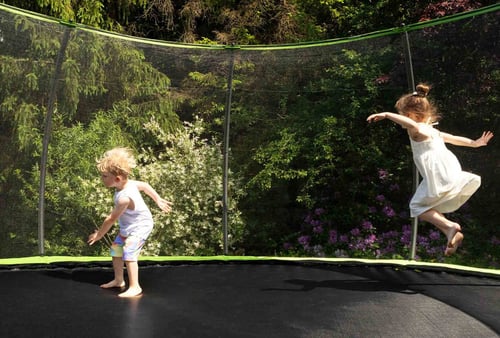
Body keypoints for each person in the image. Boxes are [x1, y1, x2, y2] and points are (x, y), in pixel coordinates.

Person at [367, 84, 493, 256]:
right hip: (450, 172)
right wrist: (475, 143)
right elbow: (455, 139)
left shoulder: (417, 131)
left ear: (410, 115)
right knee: (425, 206)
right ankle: (449, 230)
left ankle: (450, 226)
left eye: (404, 116)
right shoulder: (434, 131)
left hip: (439, 175)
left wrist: (387, 115)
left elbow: (414, 126)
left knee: (416, 206)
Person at [88, 147, 172, 297]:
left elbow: (111, 219)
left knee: (129, 251)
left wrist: (99, 235)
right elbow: (145, 186)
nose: (102, 179)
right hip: (129, 226)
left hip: (141, 226)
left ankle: (135, 286)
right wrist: (157, 199)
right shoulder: (127, 184)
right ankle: (119, 280)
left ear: (117, 179)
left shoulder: (124, 198)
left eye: (104, 176)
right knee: (116, 250)